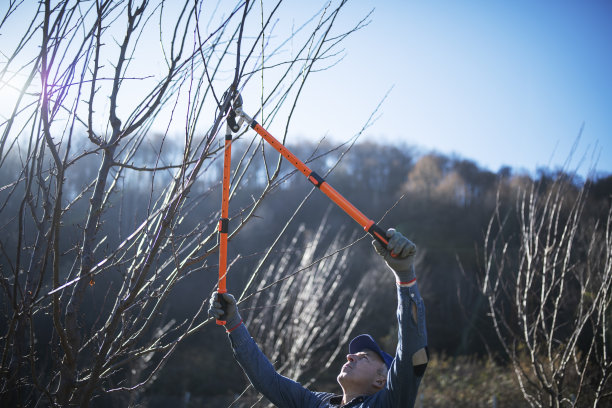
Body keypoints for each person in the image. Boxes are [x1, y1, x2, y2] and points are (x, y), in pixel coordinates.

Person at [209, 228, 428, 407]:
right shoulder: (316, 403)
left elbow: (411, 352)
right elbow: (268, 380)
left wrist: (405, 275)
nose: (350, 357)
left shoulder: (390, 402)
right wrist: (233, 324)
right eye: (357, 355)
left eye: (363, 357)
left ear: (382, 380)